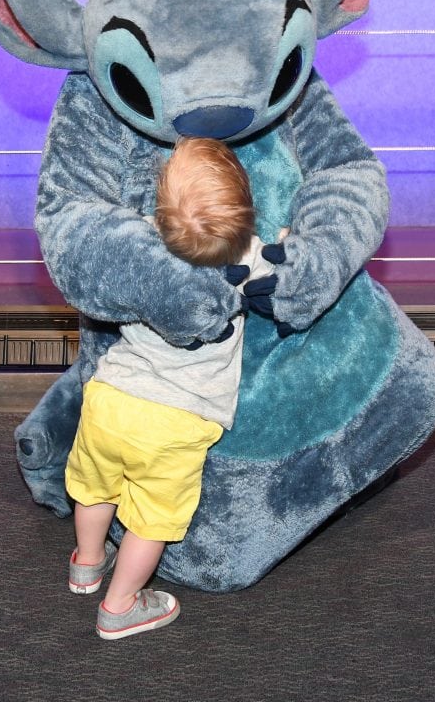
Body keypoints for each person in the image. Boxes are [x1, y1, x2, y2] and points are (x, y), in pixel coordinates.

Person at [64, 135, 278, 640]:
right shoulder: (247, 257)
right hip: (177, 419)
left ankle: (87, 564)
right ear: (244, 209)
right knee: (151, 520)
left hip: (109, 398)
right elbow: (281, 280)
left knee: (95, 487)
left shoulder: (139, 243)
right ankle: (120, 606)